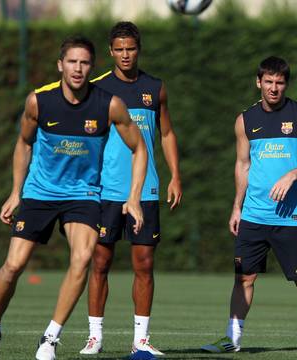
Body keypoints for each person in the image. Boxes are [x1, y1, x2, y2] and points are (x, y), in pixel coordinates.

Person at [0, 36, 148, 360]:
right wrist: (16, 191)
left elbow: (139, 148)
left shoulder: (108, 105)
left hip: (83, 195)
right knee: (13, 266)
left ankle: (49, 340)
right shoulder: (39, 102)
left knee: (83, 259)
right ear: (60, 65)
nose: (78, 68)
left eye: (84, 62)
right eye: (72, 62)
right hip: (40, 192)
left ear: (92, 66)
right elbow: (24, 144)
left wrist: (134, 197)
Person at [201, 56, 297, 356]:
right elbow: (242, 165)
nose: (273, 88)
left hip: (291, 217)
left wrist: (293, 174)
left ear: (286, 84)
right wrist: (236, 207)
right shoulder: (245, 120)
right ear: (258, 82)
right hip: (254, 215)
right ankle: (232, 338)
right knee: (244, 278)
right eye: (268, 82)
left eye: (279, 82)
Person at [78, 22, 182, 356]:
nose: (125, 54)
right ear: (111, 51)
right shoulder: (97, 90)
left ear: (139, 49)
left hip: (146, 190)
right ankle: (95, 336)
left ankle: (141, 340)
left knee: (144, 264)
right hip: (106, 191)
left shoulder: (156, 88)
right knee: (99, 263)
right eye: (119, 49)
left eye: (131, 48)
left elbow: (166, 134)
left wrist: (175, 175)